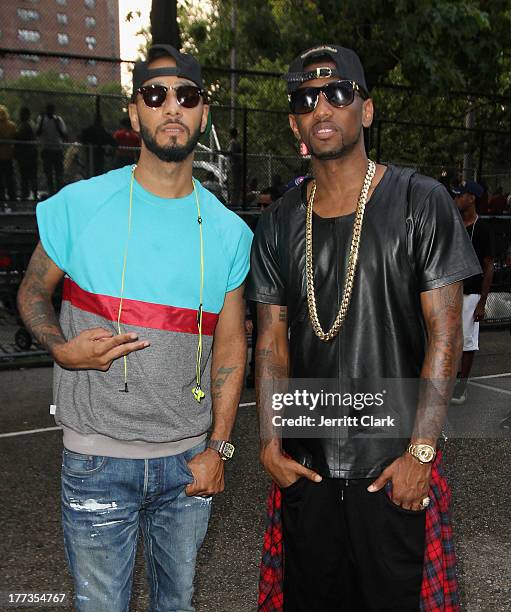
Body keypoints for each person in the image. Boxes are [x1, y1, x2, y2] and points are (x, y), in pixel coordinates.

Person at [17, 44, 252, 611]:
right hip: (96, 460)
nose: (171, 106)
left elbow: (231, 341)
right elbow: (30, 291)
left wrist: (219, 447)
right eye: (155, 94)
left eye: (186, 96)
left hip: (187, 464)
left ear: (202, 116)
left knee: (178, 605)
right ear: (134, 112)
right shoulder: (80, 205)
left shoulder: (227, 232)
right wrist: (61, 349)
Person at [247, 44, 481, 611]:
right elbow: (271, 342)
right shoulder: (278, 221)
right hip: (307, 470)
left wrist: (421, 453)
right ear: (294, 121)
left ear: (366, 110)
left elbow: (446, 333)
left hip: (392, 468)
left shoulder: (420, 201)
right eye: (306, 97)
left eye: (338, 93)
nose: (322, 106)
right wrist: (271, 445)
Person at [451, 181, 495, 404]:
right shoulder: (455, 225)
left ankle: (462, 386)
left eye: (460, 196)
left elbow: (489, 266)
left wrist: (482, 303)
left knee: (468, 342)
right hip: (452, 292)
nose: (456, 199)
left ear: (472, 199)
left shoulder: (482, 229)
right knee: (448, 339)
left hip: (471, 294)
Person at [36, 103, 67, 194]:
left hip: (57, 149)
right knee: (48, 173)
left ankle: (59, 191)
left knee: (59, 173)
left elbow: (64, 135)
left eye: (51, 110)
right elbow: (38, 133)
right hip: (47, 149)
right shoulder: (42, 119)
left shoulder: (58, 120)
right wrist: (41, 120)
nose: (49, 112)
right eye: (48, 110)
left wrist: (57, 124)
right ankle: (51, 191)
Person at [80, 110, 117, 177]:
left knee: (94, 171)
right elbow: (114, 143)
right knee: (95, 171)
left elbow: (114, 143)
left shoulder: (99, 131)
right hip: (94, 155)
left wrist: (109, 152)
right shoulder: (95, 131)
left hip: (96, 155)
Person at [14, 106, 38, 200]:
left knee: (27, 176)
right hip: (28, 154)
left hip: (27, 155)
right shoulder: (28, 124)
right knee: (28, 176)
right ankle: (28, 193)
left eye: (22, 114)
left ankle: (29, 194)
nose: (20, 116)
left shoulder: (27, 125)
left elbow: (21, 137)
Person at [0, 105, 17, 203]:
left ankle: (2, 196)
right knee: (9, 177)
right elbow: (15, 136)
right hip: (8, 155)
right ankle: (12, 196)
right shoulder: (11, 125)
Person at [228, 126, 242, 206]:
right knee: (236, 184)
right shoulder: (237, 142)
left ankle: (233, 202)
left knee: (234, 184)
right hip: (238, 165)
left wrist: (220, 152)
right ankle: (235, 201)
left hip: (234, 165)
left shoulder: (232, 142)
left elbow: (230, 152)